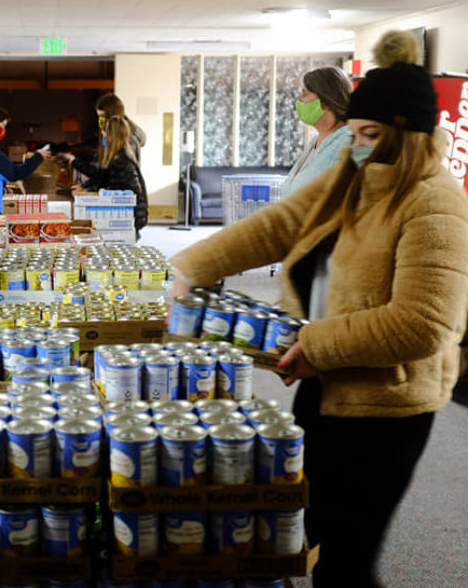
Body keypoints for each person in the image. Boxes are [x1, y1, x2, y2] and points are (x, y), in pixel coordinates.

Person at [168, 43, 468, 588]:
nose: (356, 147)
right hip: (323, 379)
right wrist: (191, 266)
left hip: (387, 407)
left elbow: (425, 322)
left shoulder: (435, 203)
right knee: (315, 520)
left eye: (371, 136)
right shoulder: (354, 180)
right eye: (354, 134)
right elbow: (278, 225)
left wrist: (320, 344)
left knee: (349, 554)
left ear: (411, 137)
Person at [61, 115, 148, 237]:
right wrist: (87, 188)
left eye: (105, 133)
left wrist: (106, 192)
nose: (103, 137)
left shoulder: (121, 159)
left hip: (128, 218)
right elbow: (103, 176)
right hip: (126, 217)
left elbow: (131, 191)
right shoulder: (118, 156)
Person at [280, 66, 353, 196]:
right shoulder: (316, 142)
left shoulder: (346, 142)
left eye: (305, 93)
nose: (299, 100)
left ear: (325, 101)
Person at [95, 93, 146, 163]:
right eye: (99, 116)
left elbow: (127, 168)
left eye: (103, 116)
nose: (101, 120)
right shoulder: (109, 134)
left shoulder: (128, 137)